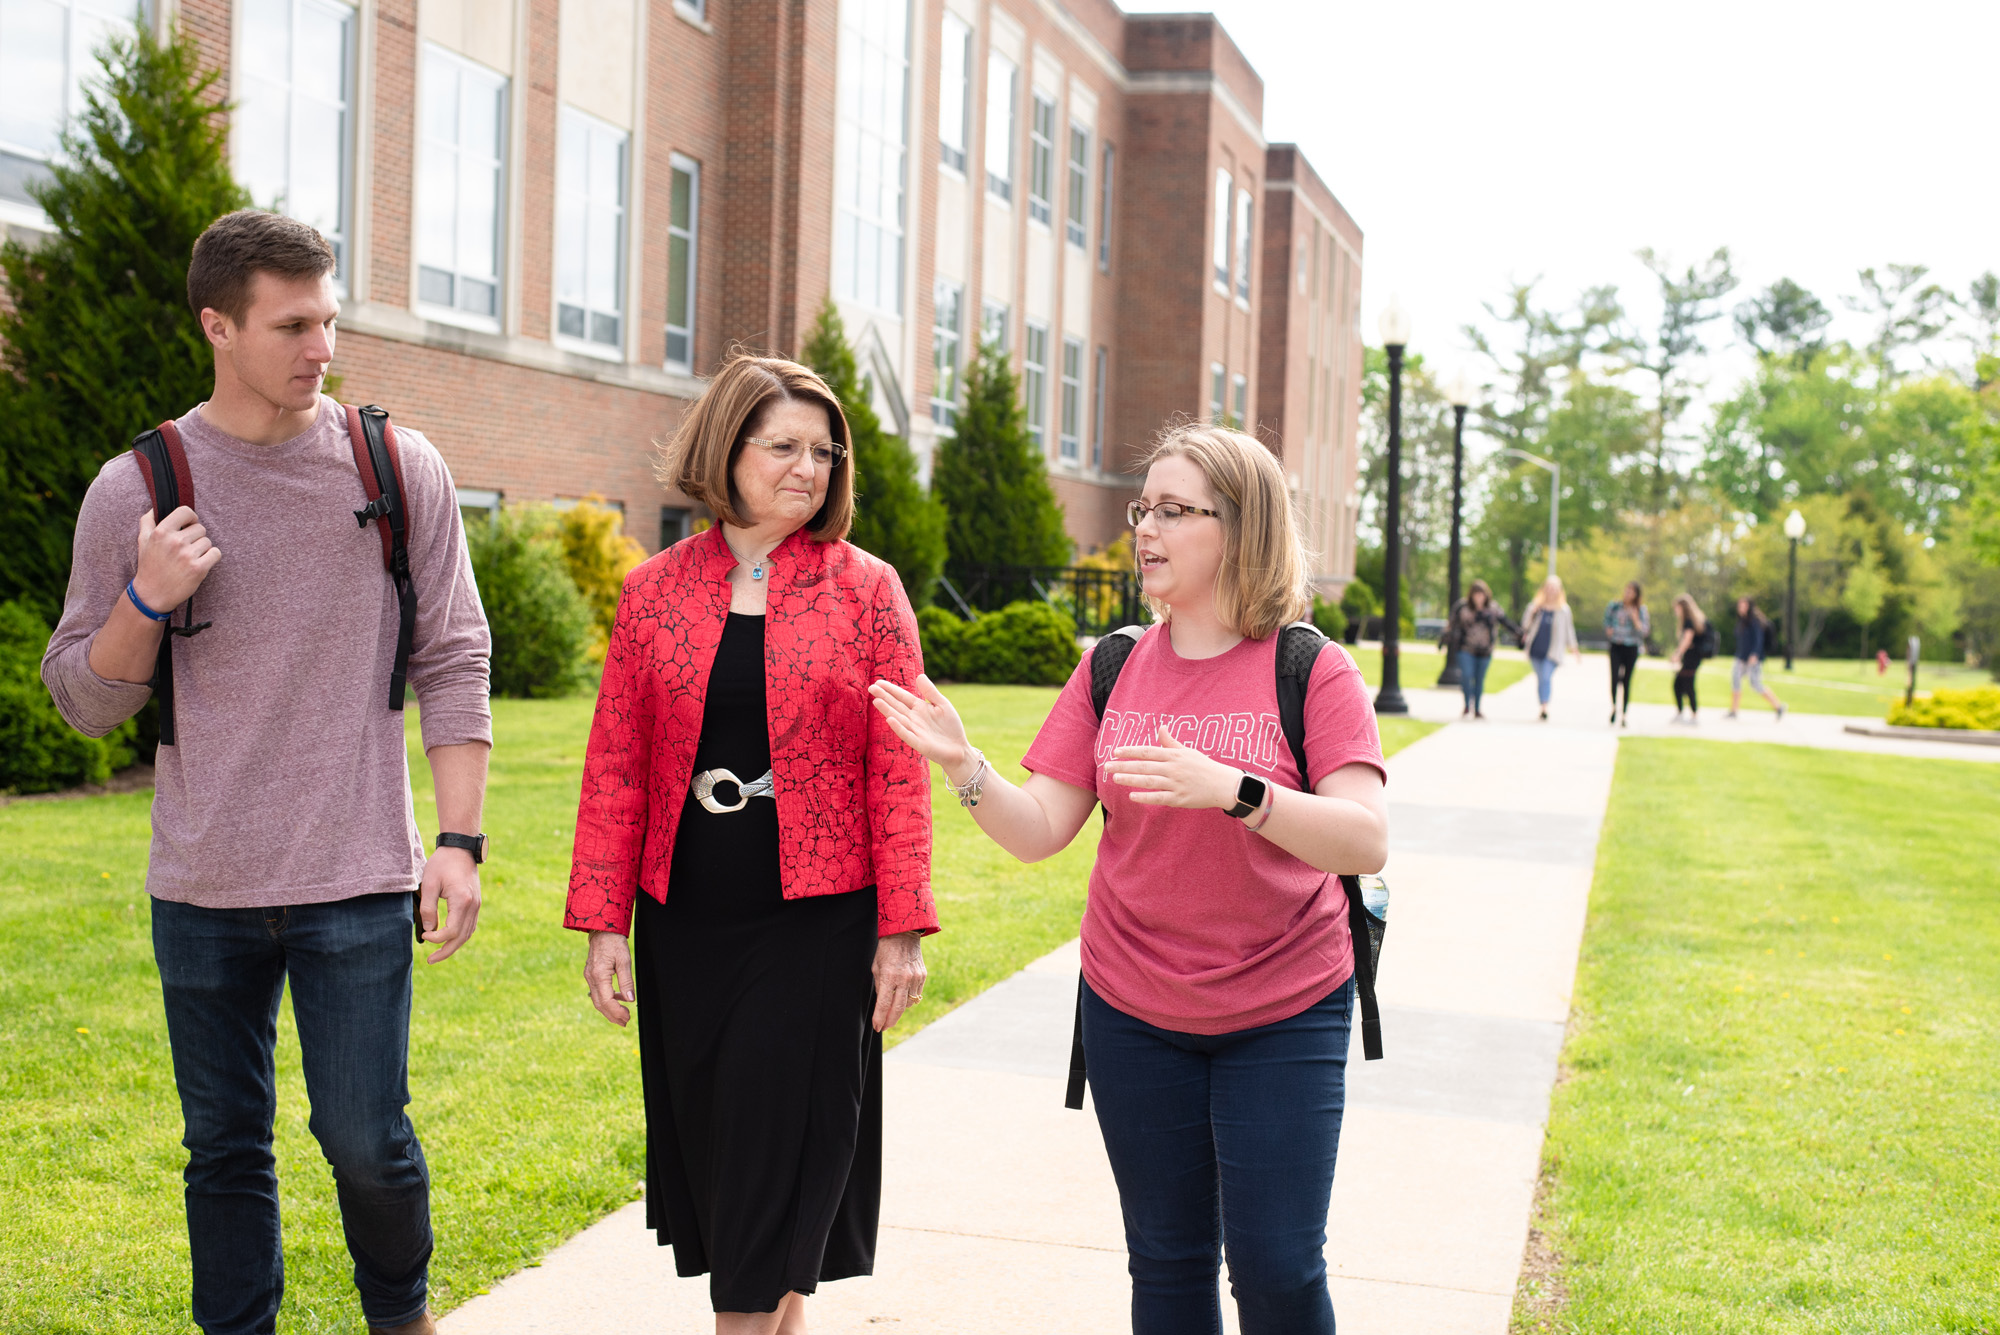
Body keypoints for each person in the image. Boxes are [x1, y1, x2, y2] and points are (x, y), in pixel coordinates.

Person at [39, 210, 491, 1335]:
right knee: (224, 1148)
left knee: (365, 1140)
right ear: (217, 326)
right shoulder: (137, 486)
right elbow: (87, 704)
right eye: (293, 324)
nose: (320, 347)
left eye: (328, 319)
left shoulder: (397, 464)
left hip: (355, 874)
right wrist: (146, 596)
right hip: (203, 885)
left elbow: (453, 651)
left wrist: (459, 839)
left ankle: (401, 1318)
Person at [871, 423, 1389, 1335]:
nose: (1145, 528)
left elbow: (1363, 839)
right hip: (1132, 1008)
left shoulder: (1311, 667)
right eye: (1142, 507)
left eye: (1174, 510)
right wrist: (963, 764)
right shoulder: (1111, 664)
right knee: (1167, 1262)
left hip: (1285, 1005)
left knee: (1275, 1269)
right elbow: (1039, 830)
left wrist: (1235, 791)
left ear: (1242, 525)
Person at [566, 354, 936, 1335]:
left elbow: (899, 770)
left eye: (823, 450)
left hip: (816, 918)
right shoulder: (653, 593)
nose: (807, 467)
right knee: (731, 1162)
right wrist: (603, 923)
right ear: (725, 452)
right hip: (687, 917)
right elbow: (615, 763)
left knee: (777, 1152)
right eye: (782, 446)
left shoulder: (868, 590)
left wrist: (899, 929)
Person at [1440, 577, 1517, 719]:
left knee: (1479, 679)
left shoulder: (1493, 608)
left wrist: (1519, 633)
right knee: (1467, 675)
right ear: (1471, 595)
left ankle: (1477, 708)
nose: (1479, 597)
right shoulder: (1462, 607)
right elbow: (1451, 624)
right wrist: (1443, 640)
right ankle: (1467, 705)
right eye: (1476, 594)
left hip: (1485, 650)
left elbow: (1505, 621)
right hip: (1465, 648)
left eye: (1481, 594)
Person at [1518, 575, 1581, 721]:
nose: (1551, 591)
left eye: (1554, 588)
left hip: (1553, 651)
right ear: (1544, 589)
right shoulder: (1535, 607)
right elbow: (1525, 625)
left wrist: (1574, 649)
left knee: (1546, 677)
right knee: (1541, 678)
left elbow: (1569, 630)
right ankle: (1542, 703)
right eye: (1549, 587)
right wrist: (1533, 612)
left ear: (1559, 591)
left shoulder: (1564, 610)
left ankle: (1544, 707)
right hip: (1536, 649)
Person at [1728, 596, 1787, 720]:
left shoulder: (1755, 621)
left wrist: (1754, 654)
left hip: (1752, 658)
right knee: (1735, 681)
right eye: (1739, 605)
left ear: (1749, 606)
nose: (1740, 608)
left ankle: (1778, 706)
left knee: (1755, 684)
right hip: (1741, 657)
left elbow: (1758, 640)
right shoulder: (1742, 620)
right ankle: (1733, 710)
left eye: (1743, 605)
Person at [1603, 581, 1650, 727]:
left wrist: (1635, 619)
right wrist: (1608, 629)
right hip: (1616, 645)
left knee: (1627, 680)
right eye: (1626, 590)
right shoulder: (1614, 606)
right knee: (1615, 677)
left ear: (1636, 594)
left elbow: (1644, 631)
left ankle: (1624, 713)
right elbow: (1607, 621)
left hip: (1631, 647)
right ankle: (1614, 707)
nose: (1628, 594)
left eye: (1631, 591)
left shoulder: (1641, 610)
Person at [1668, 593, 1710, 724]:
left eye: (1677, 607)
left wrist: (1677, 654)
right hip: (1692, 658)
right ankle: (1684, 712)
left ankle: (1694, 714)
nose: (1676, 610)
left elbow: (1687, 639)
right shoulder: (1693, 620)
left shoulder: (1689, 621)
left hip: (1692, 658)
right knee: (1680, 684)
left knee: (1687, 684)